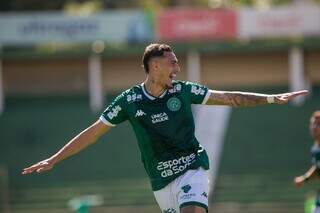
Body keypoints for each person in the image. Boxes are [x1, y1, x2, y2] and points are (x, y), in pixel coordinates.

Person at [23, 43, 308, 213]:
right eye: (173, 63)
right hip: (161, 183)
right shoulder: (129, 101)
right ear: (154, 66)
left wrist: (271, 98)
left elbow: (228, 97)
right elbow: (94, 131)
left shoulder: (183, 91)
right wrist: (54, 159)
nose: (177, 68)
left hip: (192, 167)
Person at [294, 111, 320, 213]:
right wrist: (305, 178)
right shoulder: (315, 149)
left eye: (318, 124)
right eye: (313, 123)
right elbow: (318, 168)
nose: (314, 127)